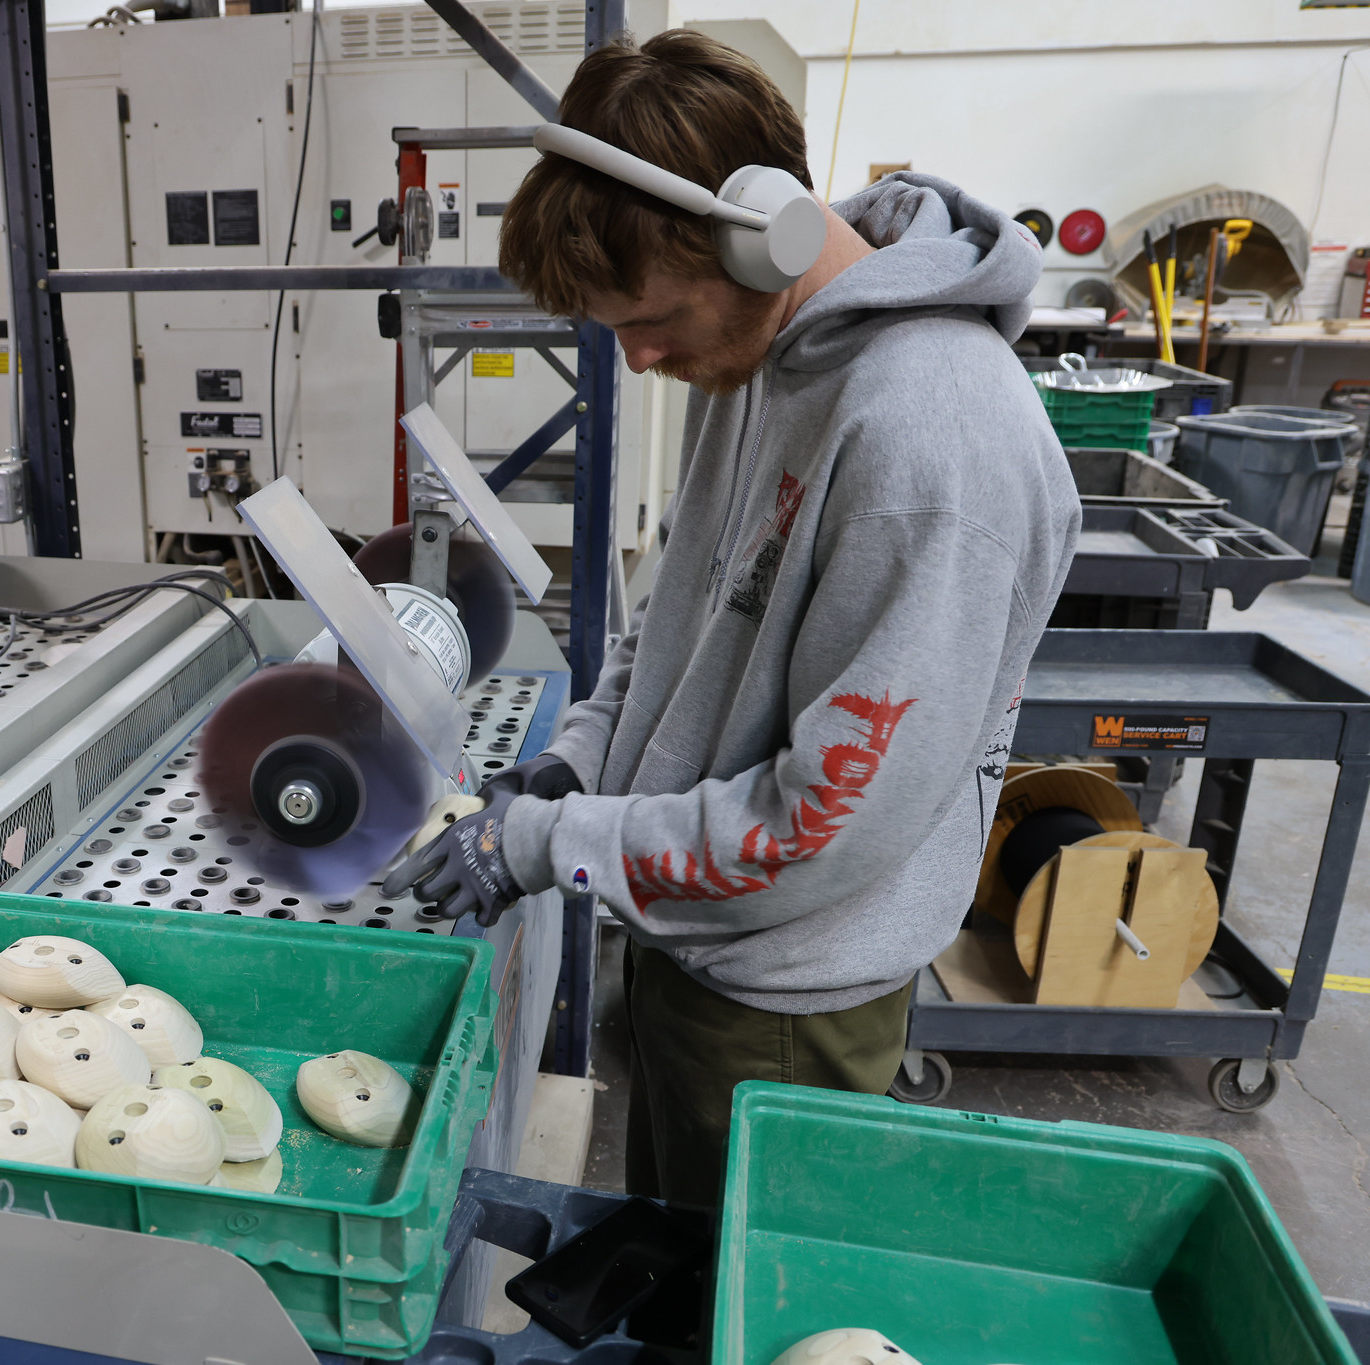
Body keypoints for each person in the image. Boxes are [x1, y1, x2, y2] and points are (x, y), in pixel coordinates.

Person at [386, 29, 1079, 1204]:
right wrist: (571, 768)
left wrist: (545, 849)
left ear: (770, 236)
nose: (638, 357)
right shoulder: (764, 357)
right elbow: (677, 628)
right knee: (671, 1291)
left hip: (787, 1004)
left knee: (732, 1317)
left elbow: (815, 829)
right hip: (697, 948)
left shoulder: (929, 445)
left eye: (649, 315)